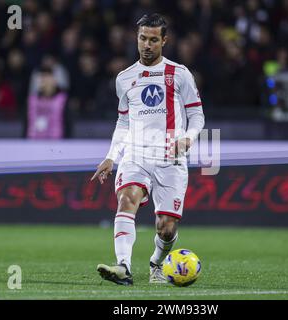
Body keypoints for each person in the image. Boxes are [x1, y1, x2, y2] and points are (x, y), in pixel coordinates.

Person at [91, 13, 205, 285]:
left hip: (171, 157)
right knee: (127, 198)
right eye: (143, 38)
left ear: (164, 41)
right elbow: (123, 121)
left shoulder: (179, 74)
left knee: (166, 228)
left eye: (154, 39)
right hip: (136, 154)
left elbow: (197, 115)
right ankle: (123, 267)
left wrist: (188, 138)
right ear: (137, 38)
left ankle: (156, 261)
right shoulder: (124, 78)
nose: (147, 45)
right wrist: (110, 156)